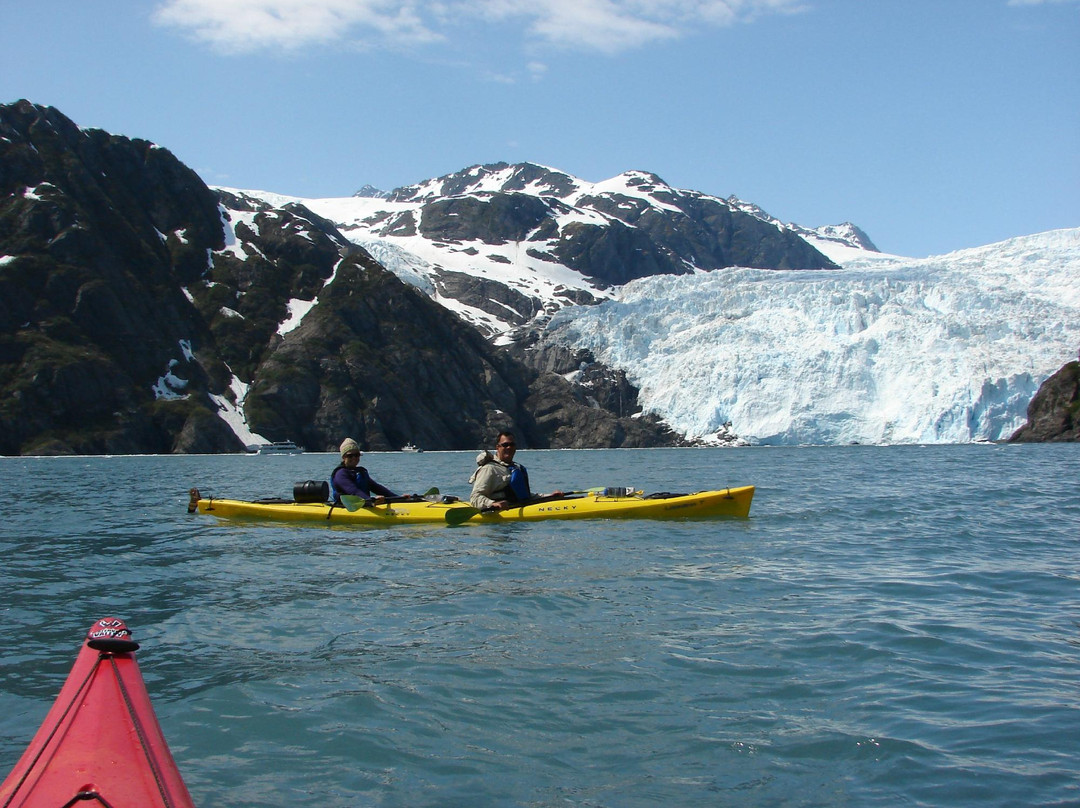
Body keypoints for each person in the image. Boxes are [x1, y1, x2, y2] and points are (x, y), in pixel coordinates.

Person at [469, 430, 562, 510]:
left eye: (512, 444)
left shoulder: (516, 468)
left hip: (519, 510)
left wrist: (550, 496)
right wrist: (492, 504)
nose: (509, 447)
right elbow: (475, 497)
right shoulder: (489, 469)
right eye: (505, 445)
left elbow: (526, 496)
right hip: (498, 517)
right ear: (498, 447)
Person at [331, 438, 397, 505]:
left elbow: (377, 488)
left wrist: (399, 498)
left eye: (356, 455)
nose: (354, 458)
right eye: (350, 456)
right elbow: (353, 491)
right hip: (347, 507)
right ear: (343, 457)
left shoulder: (361, 472)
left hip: (365, 503)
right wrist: (370, 500)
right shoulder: (340, 474)